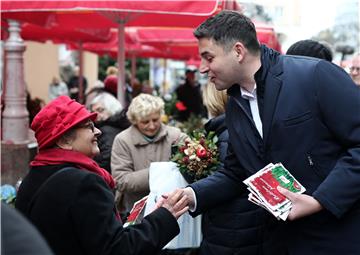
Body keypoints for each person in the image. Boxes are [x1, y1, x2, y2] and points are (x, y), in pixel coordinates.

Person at [179, 10, 360, 255]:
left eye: (208, 57)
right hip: (279, 240)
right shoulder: (236, 104)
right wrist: (191, 195)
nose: (202, 68)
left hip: (335, 237)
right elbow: (235, 172)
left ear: (238, 51)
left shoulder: (315, 75)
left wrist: (320, 201)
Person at [15, 95, 189, 255]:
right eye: (89, 127)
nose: (98, 131)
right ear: (64, 140)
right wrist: (164, 216)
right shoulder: (84, 183)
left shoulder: (31, 179)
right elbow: (118, 249)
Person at [111, 93, 188, 220]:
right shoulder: (122, 140)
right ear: (135, 121)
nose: (152, 126)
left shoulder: (176, 136)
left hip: (173, 211)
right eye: (145, 122)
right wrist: (158, 173)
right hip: (137, 212)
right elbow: (121, 180)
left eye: (156, 120)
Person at [90, 92, 131, 173]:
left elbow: (106, 158)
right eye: (93, 111)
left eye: (100, 110)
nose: (96, 114)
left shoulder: (106, 130)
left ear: (111, 108)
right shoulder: (119, 124)